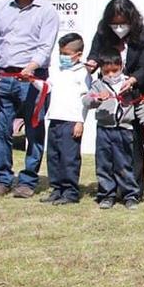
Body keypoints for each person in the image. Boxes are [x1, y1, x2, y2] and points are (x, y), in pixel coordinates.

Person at [0, 0, 59, 200]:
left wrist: (31, 67)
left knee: (34, 131)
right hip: (2, 79)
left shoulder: (46, 12)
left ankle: (27, 181)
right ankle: (2, 180)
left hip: (32, 80)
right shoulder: (0, 8)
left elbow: (45, 47)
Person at [87, 0, 144, 201]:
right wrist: (92, 63)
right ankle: (109, 190)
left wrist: (133, 80)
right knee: (109, 147)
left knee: (133, 144)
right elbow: (94, 55)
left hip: (136, 93)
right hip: (109, 97)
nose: (118, 28)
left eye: (123, 23)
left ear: (132, 20)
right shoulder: (102, 32)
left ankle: (133, 191)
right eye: (114, 23)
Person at [83, 49, 144, 210]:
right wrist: (97, 98)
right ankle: (107, 195)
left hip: (124, 130)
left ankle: (130, 195)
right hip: (104, 130)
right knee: (104, 164)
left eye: (115, 70)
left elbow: (139, 105)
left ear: (121, 66)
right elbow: (86, 101)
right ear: (100, 69)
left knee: (124, 164)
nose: (111, 74)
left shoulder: (129, 84)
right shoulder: (98, 85)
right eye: (106, 71)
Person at [37, 33, 92, 205]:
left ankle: (70, 191)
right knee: (54, 156)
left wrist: (80, 122)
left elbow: (85, 100)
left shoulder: (83, 73)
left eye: (67, 54)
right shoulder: (56, 69)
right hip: (55, 118)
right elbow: (46, 87)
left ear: (79, 54)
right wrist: (31, 80)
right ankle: (57, 189)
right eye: (61, 53)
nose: (63, 57)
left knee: (69, 158)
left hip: (71, 121)